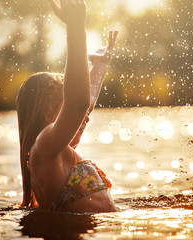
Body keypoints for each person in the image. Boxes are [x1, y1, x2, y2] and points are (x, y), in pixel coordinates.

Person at [16, 0, 118, 213]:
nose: (86, 117)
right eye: (64, 103)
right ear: (46, 111)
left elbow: (82, 106)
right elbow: (78, 105)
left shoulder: (55, 151)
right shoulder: (43, 147)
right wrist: (75, 28)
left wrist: (98, 66)